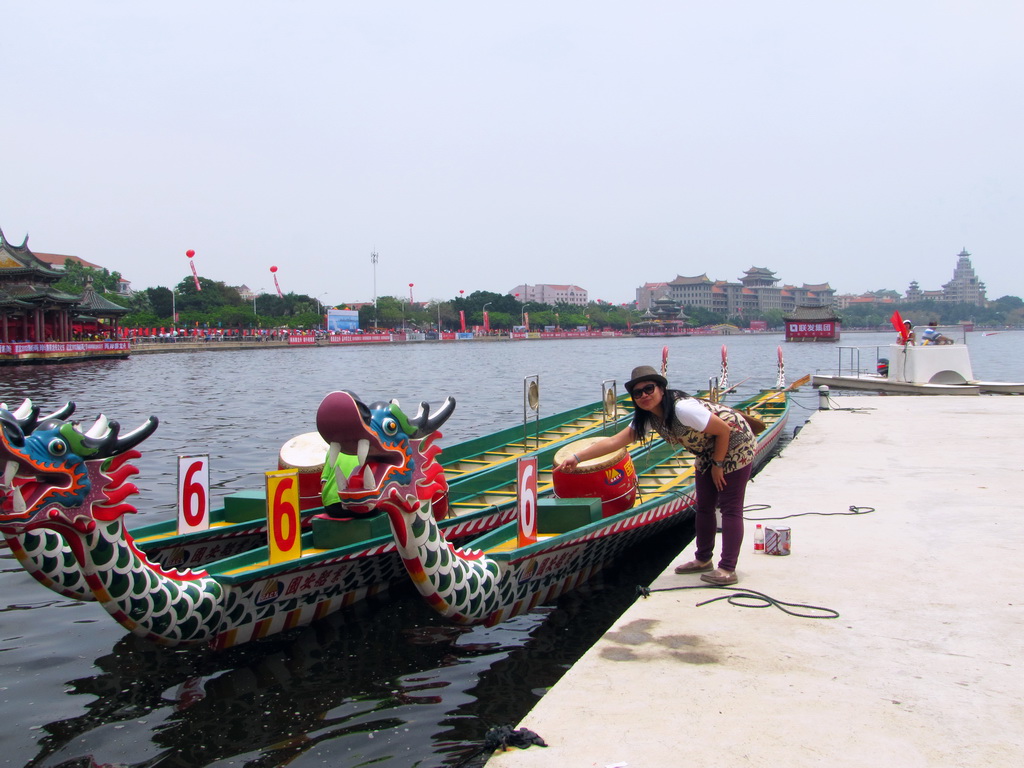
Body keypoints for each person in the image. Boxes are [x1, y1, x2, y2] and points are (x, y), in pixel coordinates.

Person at [554, 364, 756, 586]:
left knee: (729, 507)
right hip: (707, 450)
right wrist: (577, 457)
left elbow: (724, 430)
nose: (644, 395)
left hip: (736, 443)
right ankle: (702, 560)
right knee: (705, 506)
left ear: (661, 388)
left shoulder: (683, 409)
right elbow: (614, 442)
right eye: (637, 393)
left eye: (649, 389)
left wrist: (718, 465)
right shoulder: (648, 417)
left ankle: (727, 568)